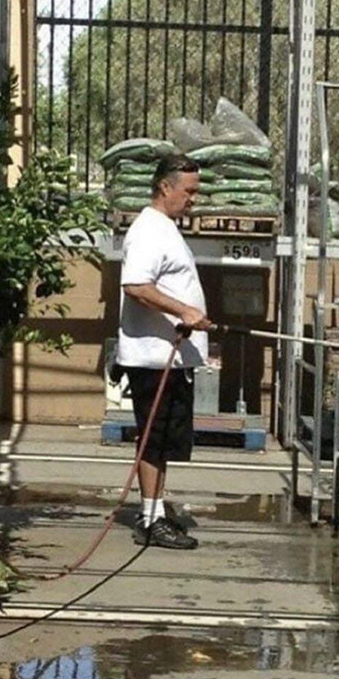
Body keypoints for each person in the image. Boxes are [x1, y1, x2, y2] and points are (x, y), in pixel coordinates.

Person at [116, 153, 211, 549]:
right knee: (153, 439)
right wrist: (183, 311)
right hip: (154, 357)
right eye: (188, 191)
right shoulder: (149, 230)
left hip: (169, 357)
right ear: (165, 187)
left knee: (165, 439)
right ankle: (151, 519)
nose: (193, 199)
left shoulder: (166, 228)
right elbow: (136, 286)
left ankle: (155, 509)